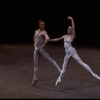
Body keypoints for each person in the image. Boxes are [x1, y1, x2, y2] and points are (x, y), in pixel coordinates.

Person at [51, 16, 100, 86]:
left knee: (81, 63)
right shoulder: (65, 36)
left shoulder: (72, 36)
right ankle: (59, 78)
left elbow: (74, 27)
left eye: (70, 29)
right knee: (64, 67)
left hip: (72, 51)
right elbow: (57, 39)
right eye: (68, 28)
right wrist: (50, 40)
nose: (69, 29)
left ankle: (93, 74)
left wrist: (72, 20)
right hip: (67, 53)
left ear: (71, 30)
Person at [32, 19, 61, 86]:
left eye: (43, 24)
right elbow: (34, 37)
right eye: (41, 24)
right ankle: (34, 77)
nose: (43, 25)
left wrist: (43, 45)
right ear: (39, 25)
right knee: (35, 65)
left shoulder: (44, 32)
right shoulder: (36, 31)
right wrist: (34, 44)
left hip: (40, 49)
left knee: (50, 59)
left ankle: (60, 71)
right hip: (36, 49)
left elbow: (47, 38)